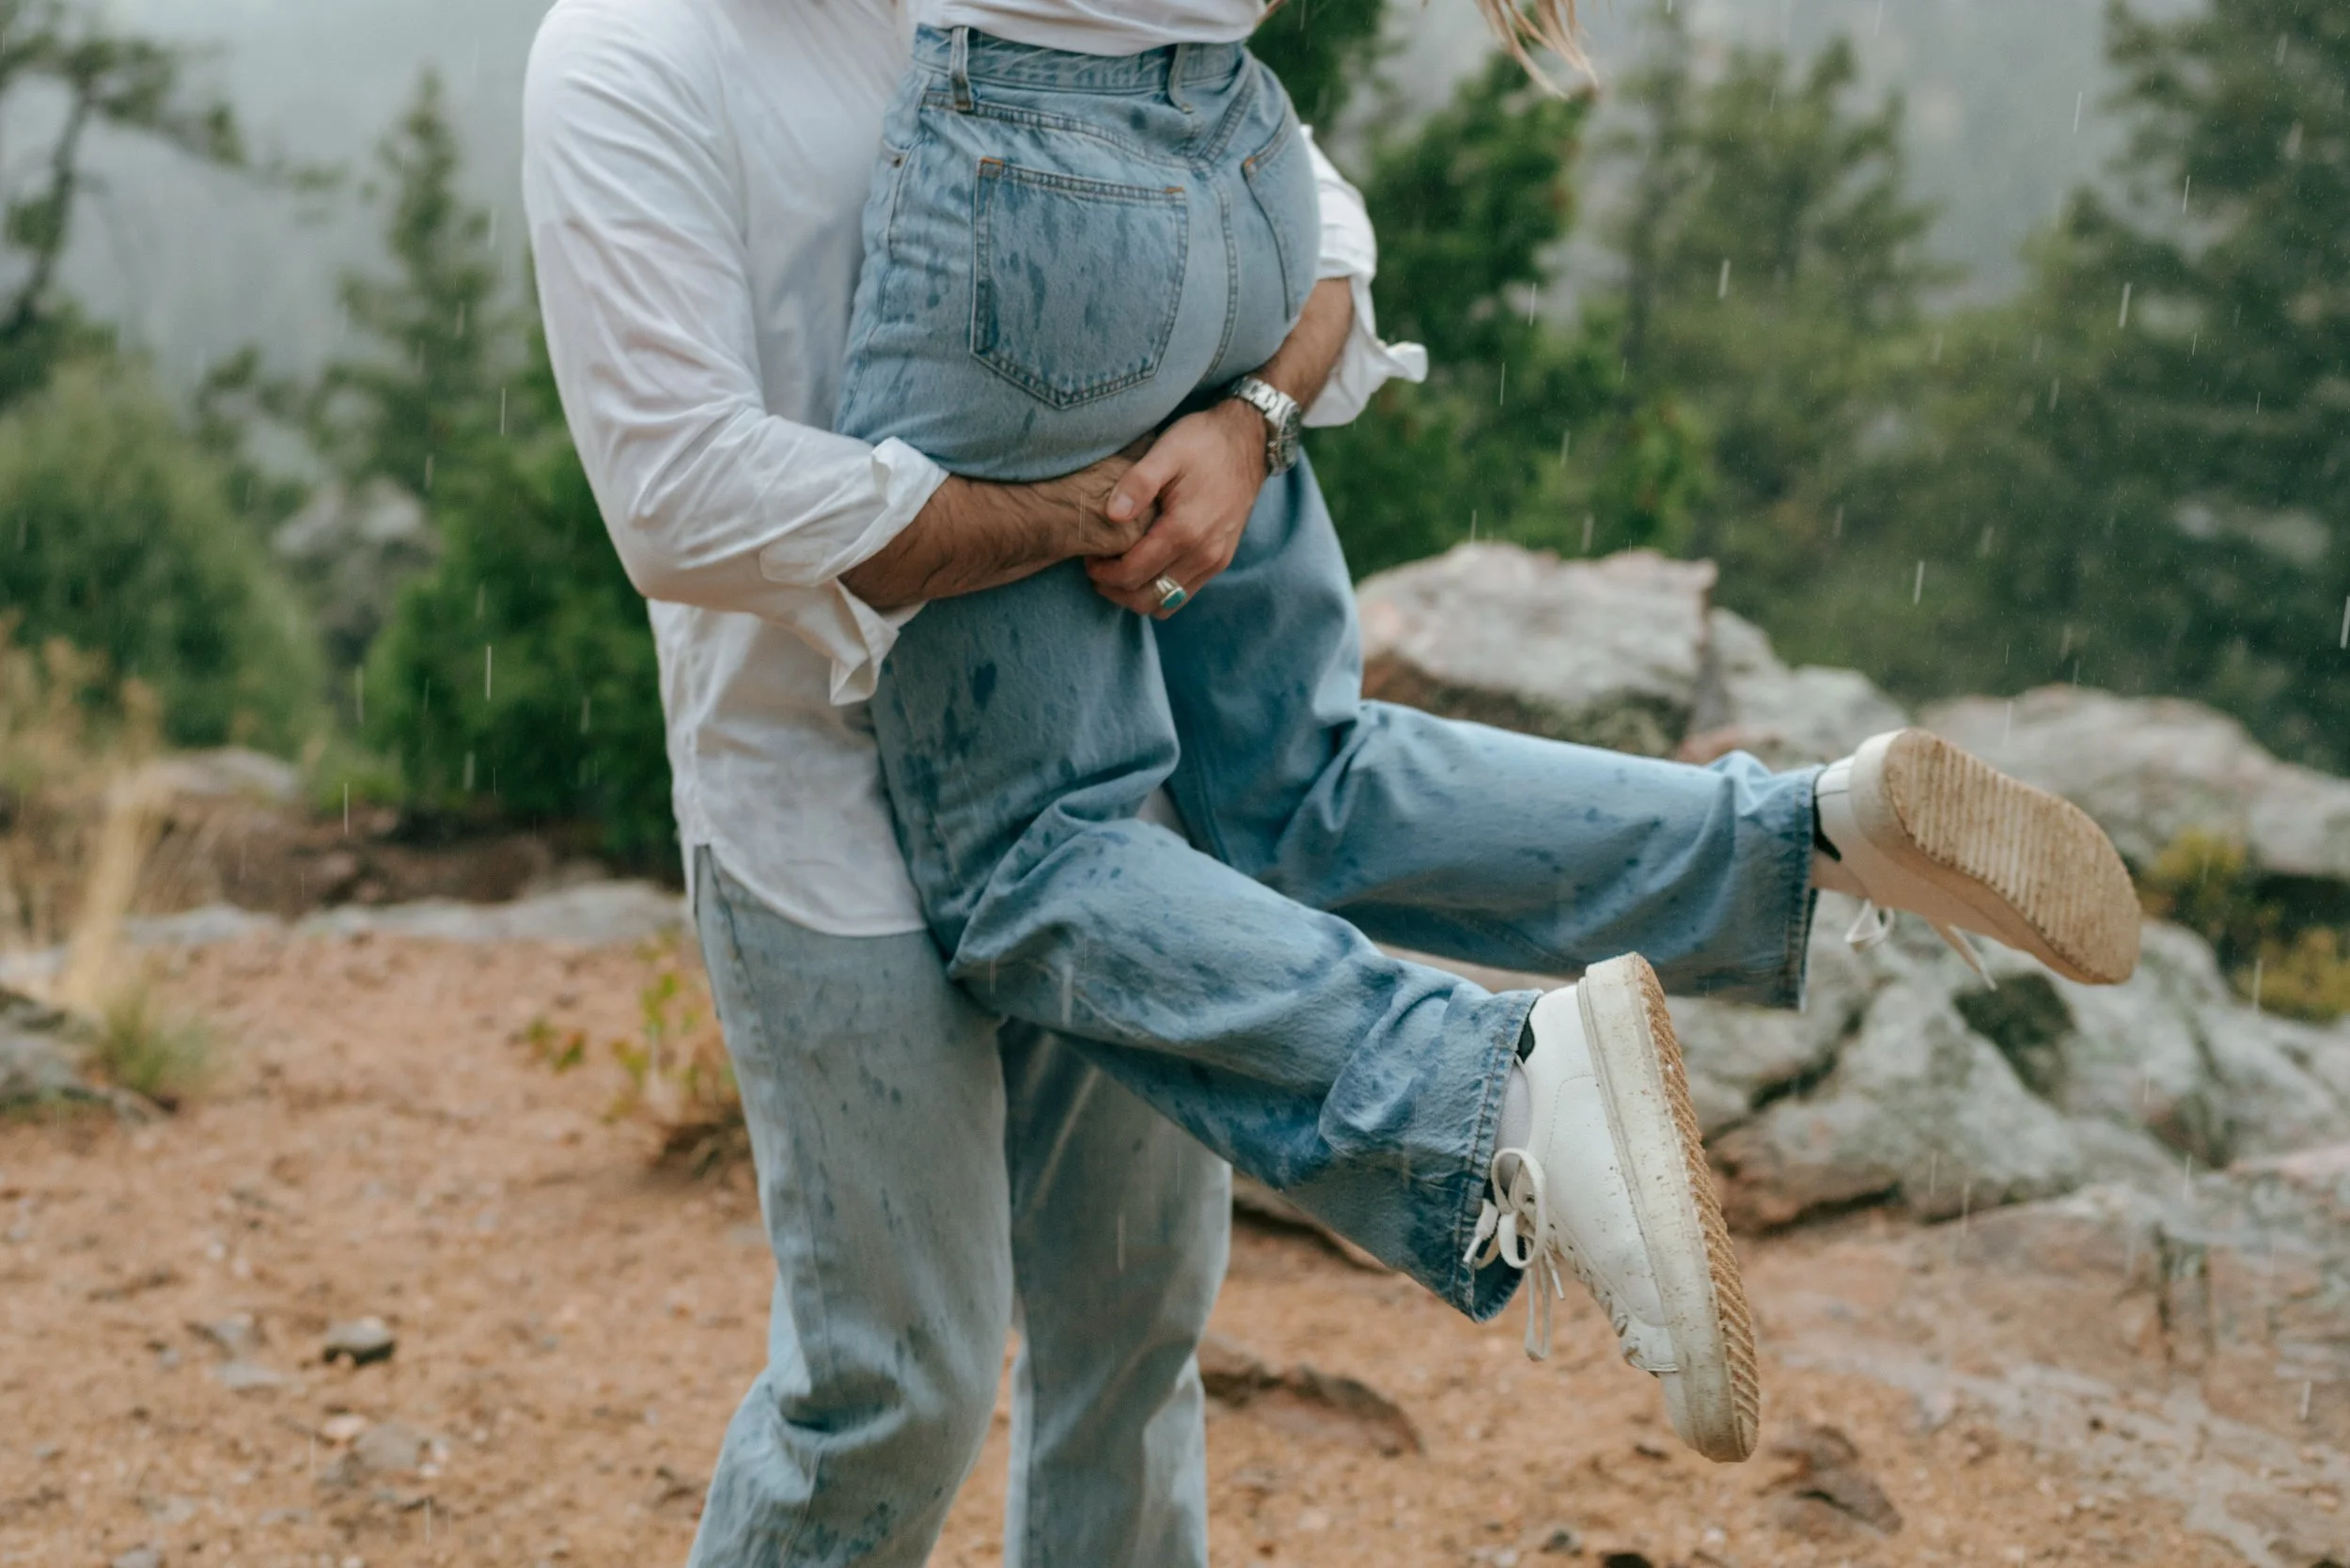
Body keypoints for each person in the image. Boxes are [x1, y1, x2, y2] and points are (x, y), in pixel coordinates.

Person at [522, 0, 2143, 1559]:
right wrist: (1064, 514)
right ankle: (1775, 861)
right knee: (896, 1387)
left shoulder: (1009, 20)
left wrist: (1248, 430)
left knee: (1135, 1331)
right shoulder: (629, 51)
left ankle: (1699, 931)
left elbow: (1315, 234)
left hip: (1120, 778)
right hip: (823, 823)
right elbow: (678, 497)